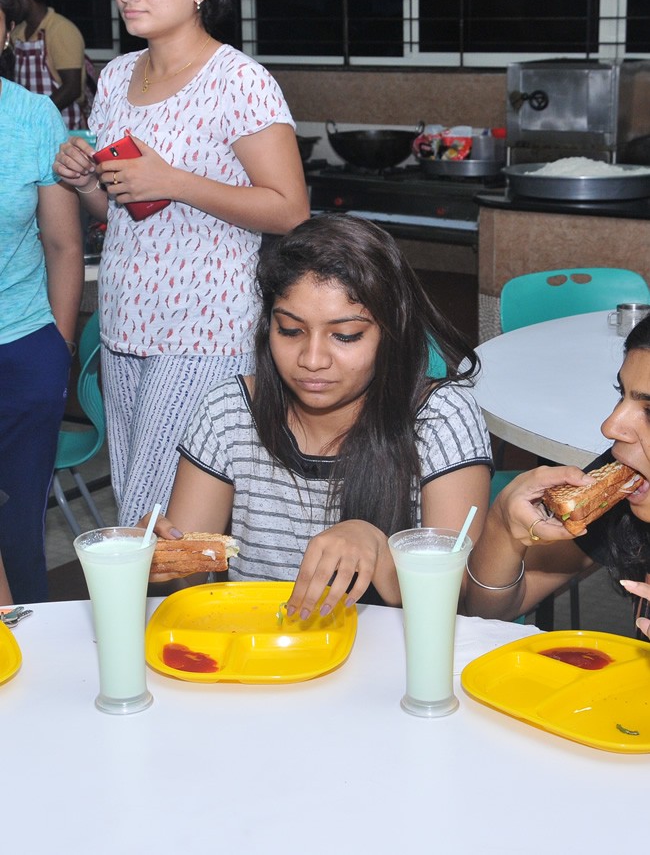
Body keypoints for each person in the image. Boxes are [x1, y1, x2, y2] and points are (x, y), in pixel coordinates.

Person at [53, 0, 310, 528]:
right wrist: (89, 182)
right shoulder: (114, 78)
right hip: (125, 323)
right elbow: (118, 216)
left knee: (157, 520)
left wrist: (175, 181)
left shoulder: (240, 82)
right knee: (148, 508)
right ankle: (171, 621)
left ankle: (152, 621)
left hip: (206, 330)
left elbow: (290, 209)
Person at [147, 214, 492, 618]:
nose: (311, 360)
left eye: (345, 336)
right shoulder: (228, 411)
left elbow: (458, 596)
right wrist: (154, 563)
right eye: (290, 331)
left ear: (392, 332)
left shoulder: (440, 417)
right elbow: (186, 583)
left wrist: (379, 548)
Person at [465, 312, 650, 639]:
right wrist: (503, 528)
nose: (610, 426)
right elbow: (488, 611)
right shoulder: (622, 490)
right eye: (621, 394)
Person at [0, 0, 83, 603]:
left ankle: (22, 676)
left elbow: (62, 244)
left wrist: (56, 348)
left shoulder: (32, 118)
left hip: (22, 351)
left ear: (5, 30)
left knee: (17, 529)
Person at [4, 0, 88, 129]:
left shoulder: (60, 29)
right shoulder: (17, 32)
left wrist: (36, 115)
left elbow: (72, 88)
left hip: (62, 124)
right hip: (28, 124)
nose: (9, 5)